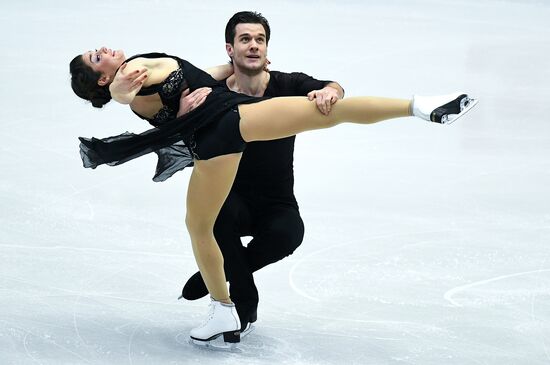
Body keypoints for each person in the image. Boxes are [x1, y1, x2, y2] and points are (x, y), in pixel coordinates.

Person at [69, 42, 477, 346]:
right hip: (234, 121)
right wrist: (124, 89)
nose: (102, 49)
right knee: (330, 114)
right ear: (103, 78)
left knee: (199, 227)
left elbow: (172, 87)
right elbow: (130, 89)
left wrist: (196, 86)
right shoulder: (134, 69)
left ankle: (222, 308)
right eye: (96, 57)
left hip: (212, 143)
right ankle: (418, 106)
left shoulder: (135, 97)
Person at [174, 11, 345, 335]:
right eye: (245, 39)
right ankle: (243, 296)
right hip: (231, 197)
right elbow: (183, 132)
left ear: (267, 49)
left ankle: (222, 272)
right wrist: (183, 114)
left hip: (275, 200)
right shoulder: (212, 93)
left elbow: (330, 86)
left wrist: (331, 91)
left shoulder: (288, 85)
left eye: (260, 40)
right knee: (215, 216)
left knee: (290, 234)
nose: (253, 45)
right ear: (230, 49)